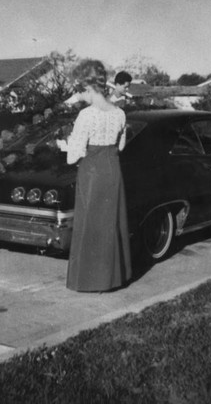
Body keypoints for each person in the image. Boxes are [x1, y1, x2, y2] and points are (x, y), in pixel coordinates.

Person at [57, 61, 132, 292]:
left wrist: (63, 145)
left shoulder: (86, 115)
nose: (80, 96)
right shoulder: (120, 113)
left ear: (89, 87)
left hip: (92, 171)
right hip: (112, 169)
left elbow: (74, 155)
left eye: (81, 91)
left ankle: (91, 280)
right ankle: (113, 278)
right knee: (111, 221)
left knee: (90, 222)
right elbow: (120, 146)